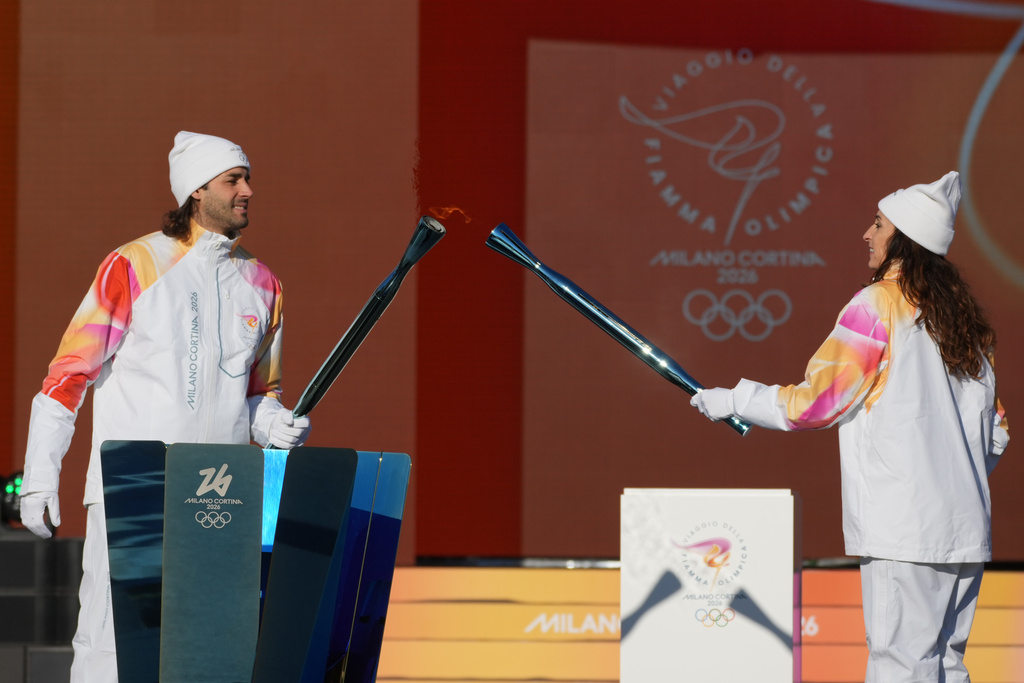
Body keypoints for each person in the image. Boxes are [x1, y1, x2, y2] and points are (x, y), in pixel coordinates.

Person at [17, 131, 313, 682]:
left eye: (247, 178)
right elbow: (67, 377)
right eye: (234, 180)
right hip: (136, 488)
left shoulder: (264, 284)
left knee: (209, 644)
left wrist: (276, 424)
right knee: (113, 641)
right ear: (198, 190)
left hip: (219, 493)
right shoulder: (134, 265)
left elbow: (257, 396)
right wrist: (39, 479)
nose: (248, 190)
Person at [691, 171, 1008, 683]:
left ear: (904, 239)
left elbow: (817, 402)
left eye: (878, 224)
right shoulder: (966, 323)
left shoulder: (877, 305)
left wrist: (735, 400)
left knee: (901, 668)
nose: (867, 233)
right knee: (947, 667)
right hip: (965, 531)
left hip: (903, 532)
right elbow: (996, 434)